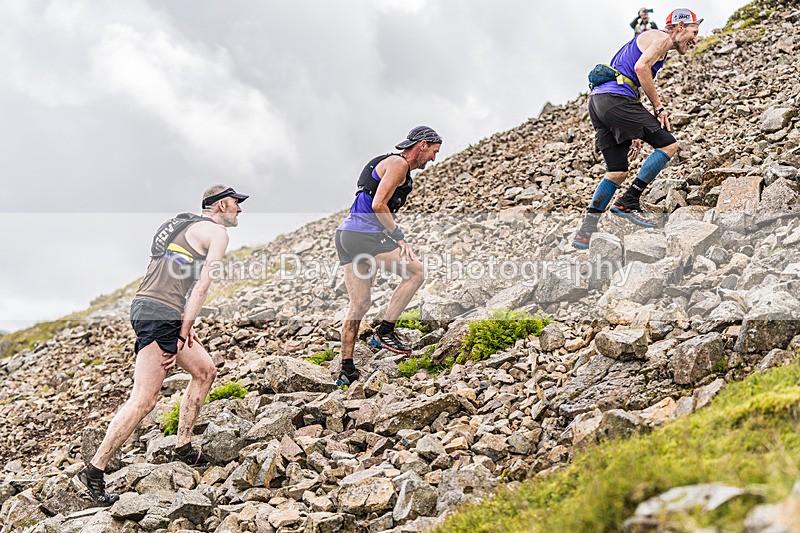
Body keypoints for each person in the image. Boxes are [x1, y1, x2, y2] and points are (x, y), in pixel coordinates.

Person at [72, 184, 248, 505]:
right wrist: (183, 328)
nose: (240, 210)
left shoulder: (180, 223)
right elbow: (202, 287)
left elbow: (168, 272)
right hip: (159, 312)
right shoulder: (217, 234)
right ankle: (94, 471)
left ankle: (183, 446)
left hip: (154, 308)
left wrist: (180, 321)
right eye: (237, 204)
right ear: (222, 204)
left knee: (205, 371)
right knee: (145, 398)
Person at [573, 9, 702, 249]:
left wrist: (632, 131)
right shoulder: (662, 38)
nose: (696, 39)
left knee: (618, 171)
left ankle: (585, 232)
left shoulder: (646, 39)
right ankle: (628, 201)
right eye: (694, 32)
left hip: (599, 101)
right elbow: (642, 69)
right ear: (680, 27)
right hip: (617, 99)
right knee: (668, 145)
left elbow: (628, 74)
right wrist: (658, 107)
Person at [334, 126, 442, 385]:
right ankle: (385, 331)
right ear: (423, 145)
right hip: (364, 234)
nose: (434, 160)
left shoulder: (388, 162)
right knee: (416, 272)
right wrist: (398, 235)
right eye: (434, 152)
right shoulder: (398, 164)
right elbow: (378, 205)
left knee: (359, 304)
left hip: (345, 235)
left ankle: (346, 369)